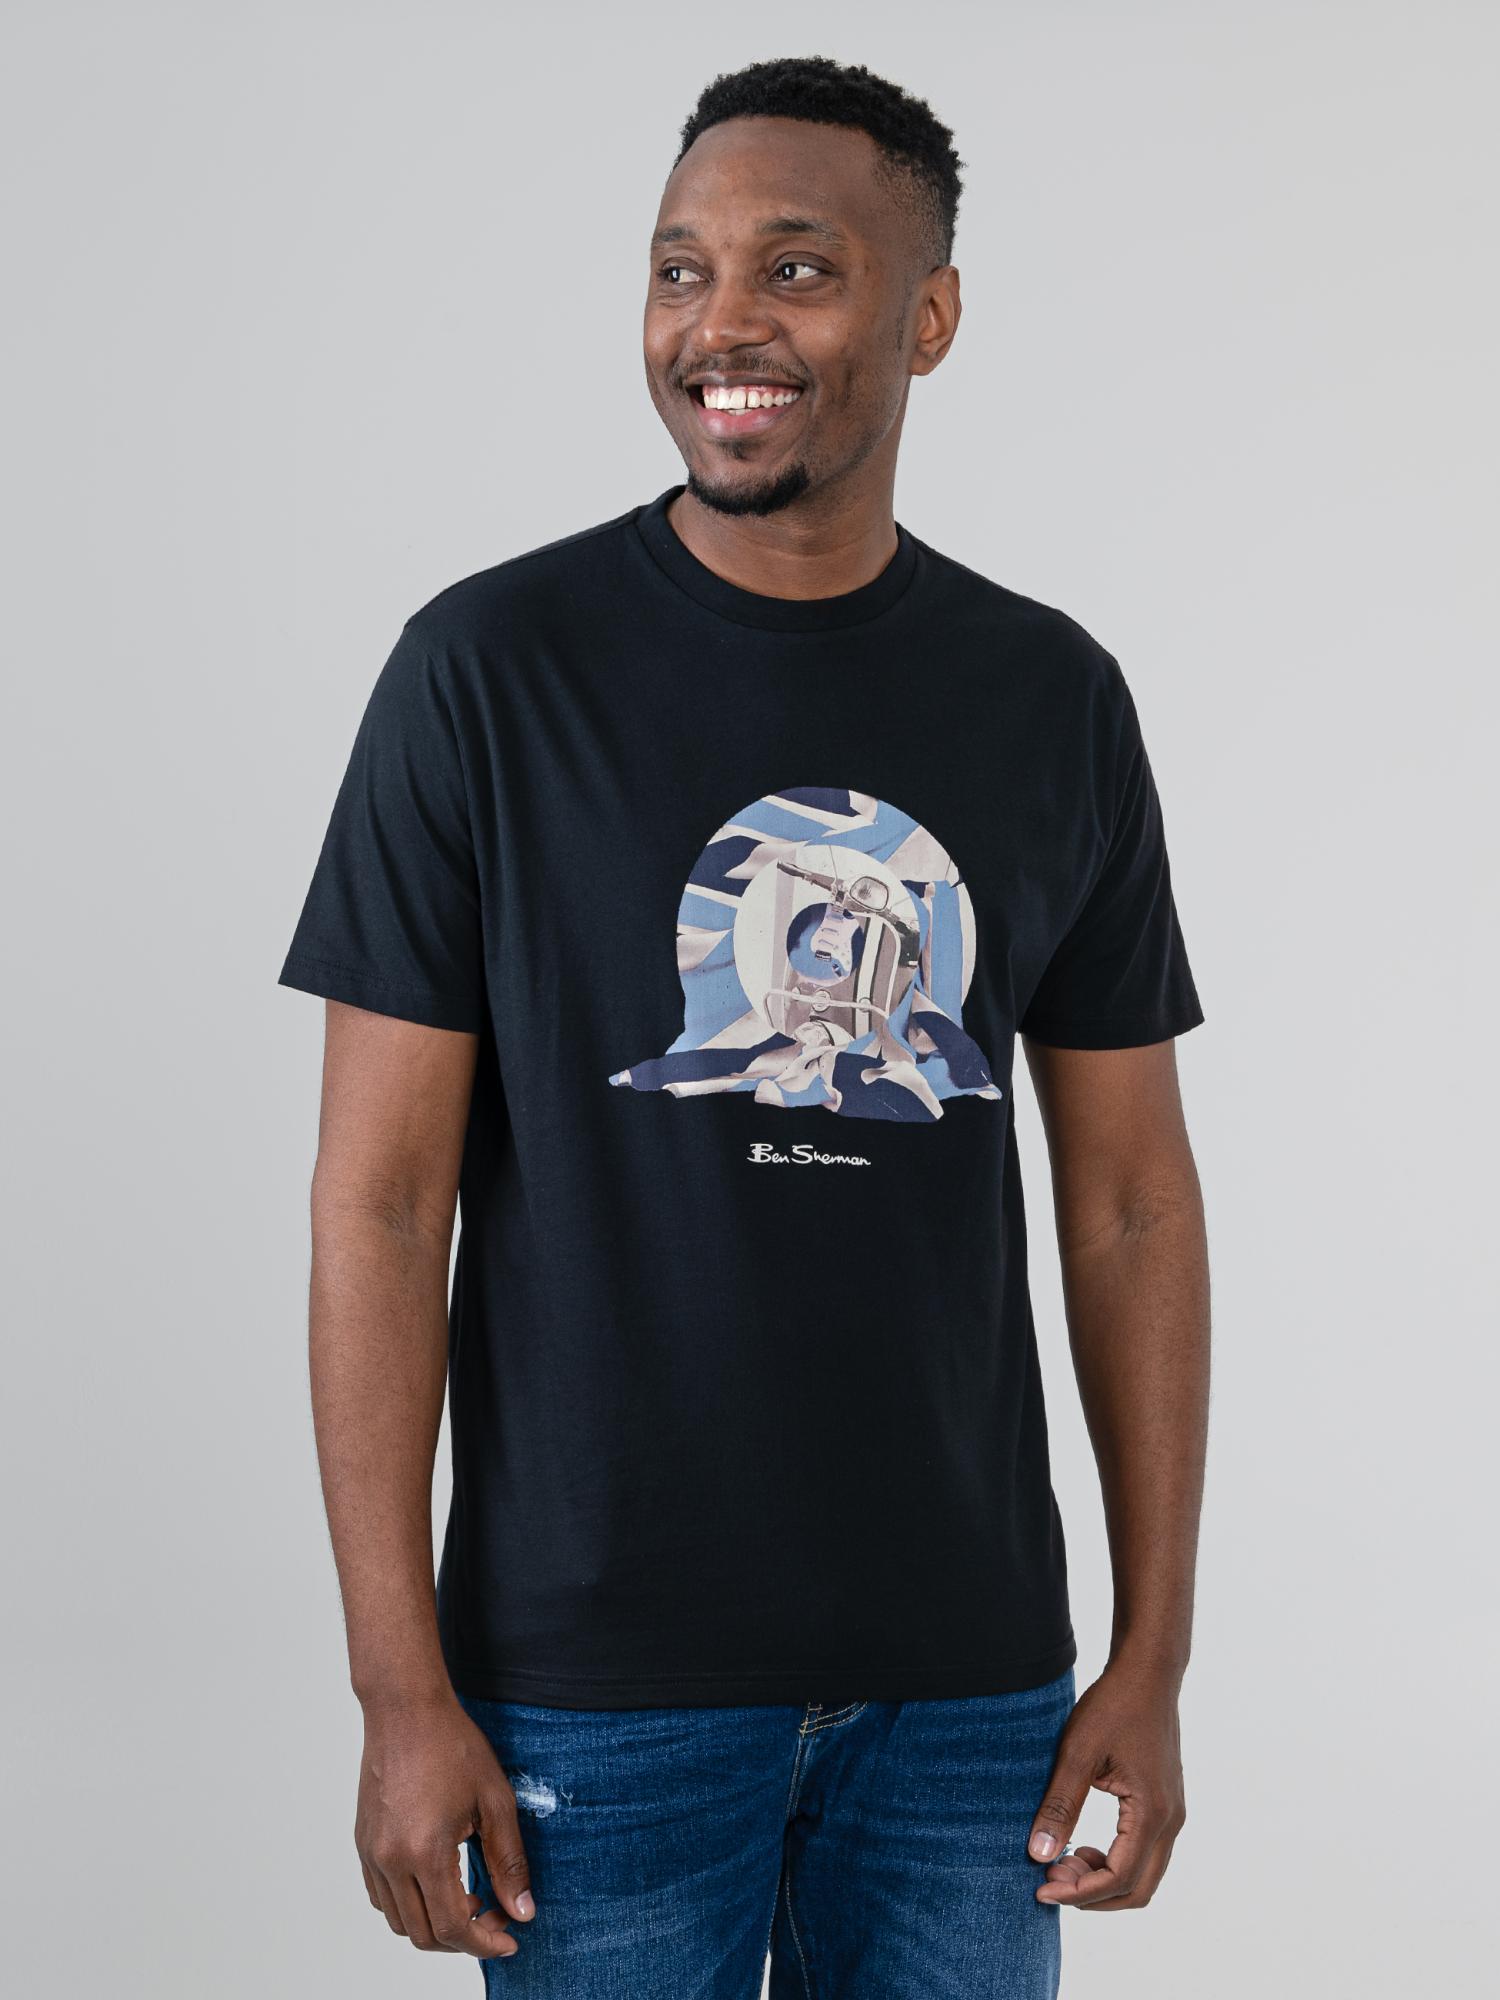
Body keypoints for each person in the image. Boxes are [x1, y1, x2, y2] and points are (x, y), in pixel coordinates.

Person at [279, 54, 1210, 2000]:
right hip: (591, 1690)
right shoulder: (487, 674)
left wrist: (1153, 1651)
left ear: (928, 317)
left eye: (797, 270)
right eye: (679, 269)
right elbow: (380, 1204)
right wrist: (396, 1686)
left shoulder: (1050, 699)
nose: (722, 326)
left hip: (970, 1699)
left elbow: (1130, 1202)